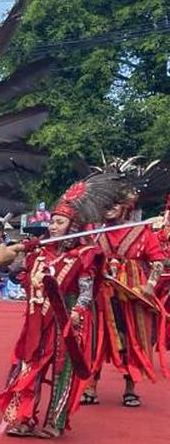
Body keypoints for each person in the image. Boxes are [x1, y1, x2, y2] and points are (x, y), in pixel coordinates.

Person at [0, 179, 107, 438]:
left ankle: (55, 422)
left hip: (65, 319)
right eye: (53, 222)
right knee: (28, 366)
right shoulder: (39, 253)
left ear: (74, 226)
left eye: (60, 223)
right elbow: (23, 279)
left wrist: (78, 313)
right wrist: (14, 259)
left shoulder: (83, 255)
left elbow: (86, 292)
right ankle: (23, 418)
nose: (53, 227)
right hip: (36, 322)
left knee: (62, 370)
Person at [86, 172, 166, 408]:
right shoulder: (94, 232)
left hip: (132, 291)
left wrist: (150, 285)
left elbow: (157, 261)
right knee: (96, 338)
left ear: (126, 207)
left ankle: (130, 388)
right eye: (106, 205)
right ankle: (91, 385)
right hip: (101, 291)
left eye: (115, 205)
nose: (109, 209)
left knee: (133, 338)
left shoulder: (142, 232)